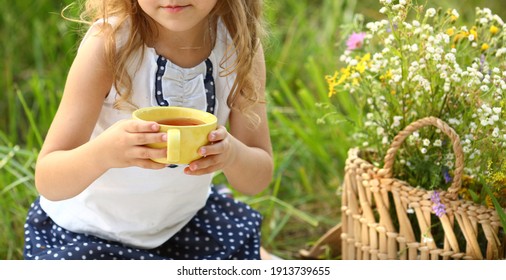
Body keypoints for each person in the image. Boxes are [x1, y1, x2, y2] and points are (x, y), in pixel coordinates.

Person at [23, 0, 273, 260]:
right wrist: (103, 153)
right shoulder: (108, 44)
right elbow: (48, 179)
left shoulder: (239, 45)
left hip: (182, 223)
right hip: (91, 233)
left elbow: (258, 178)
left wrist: (231, 154)